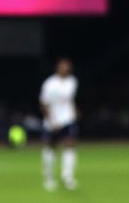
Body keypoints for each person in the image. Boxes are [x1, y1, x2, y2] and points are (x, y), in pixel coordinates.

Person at [40, 57, 79, 191]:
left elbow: (70, 100)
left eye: (67, 66)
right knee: (51, 147)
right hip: (53, 121)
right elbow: (44, 103)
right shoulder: (50, 83)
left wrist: (74, 111)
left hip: (67, 119)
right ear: (57, 68)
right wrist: (52, 121)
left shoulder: (72, 82)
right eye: (62, 66)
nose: (65, 69)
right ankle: (49, 177)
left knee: (70, 145)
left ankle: (67, 176)